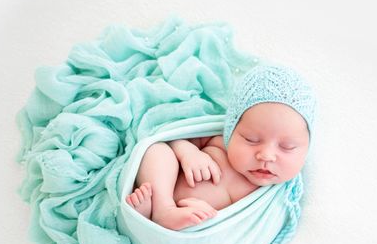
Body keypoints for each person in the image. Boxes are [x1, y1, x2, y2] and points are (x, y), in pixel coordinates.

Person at [126, 65, 316, 230]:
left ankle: (146, 220)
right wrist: (189, 153)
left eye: (287, 147)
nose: (266, 155)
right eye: (251, 139)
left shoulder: (278, 199)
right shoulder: (218, 142)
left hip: (196, 226)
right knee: (157, 150)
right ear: (232, 129)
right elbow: (174, 140)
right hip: (164, 194)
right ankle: (161, 209)